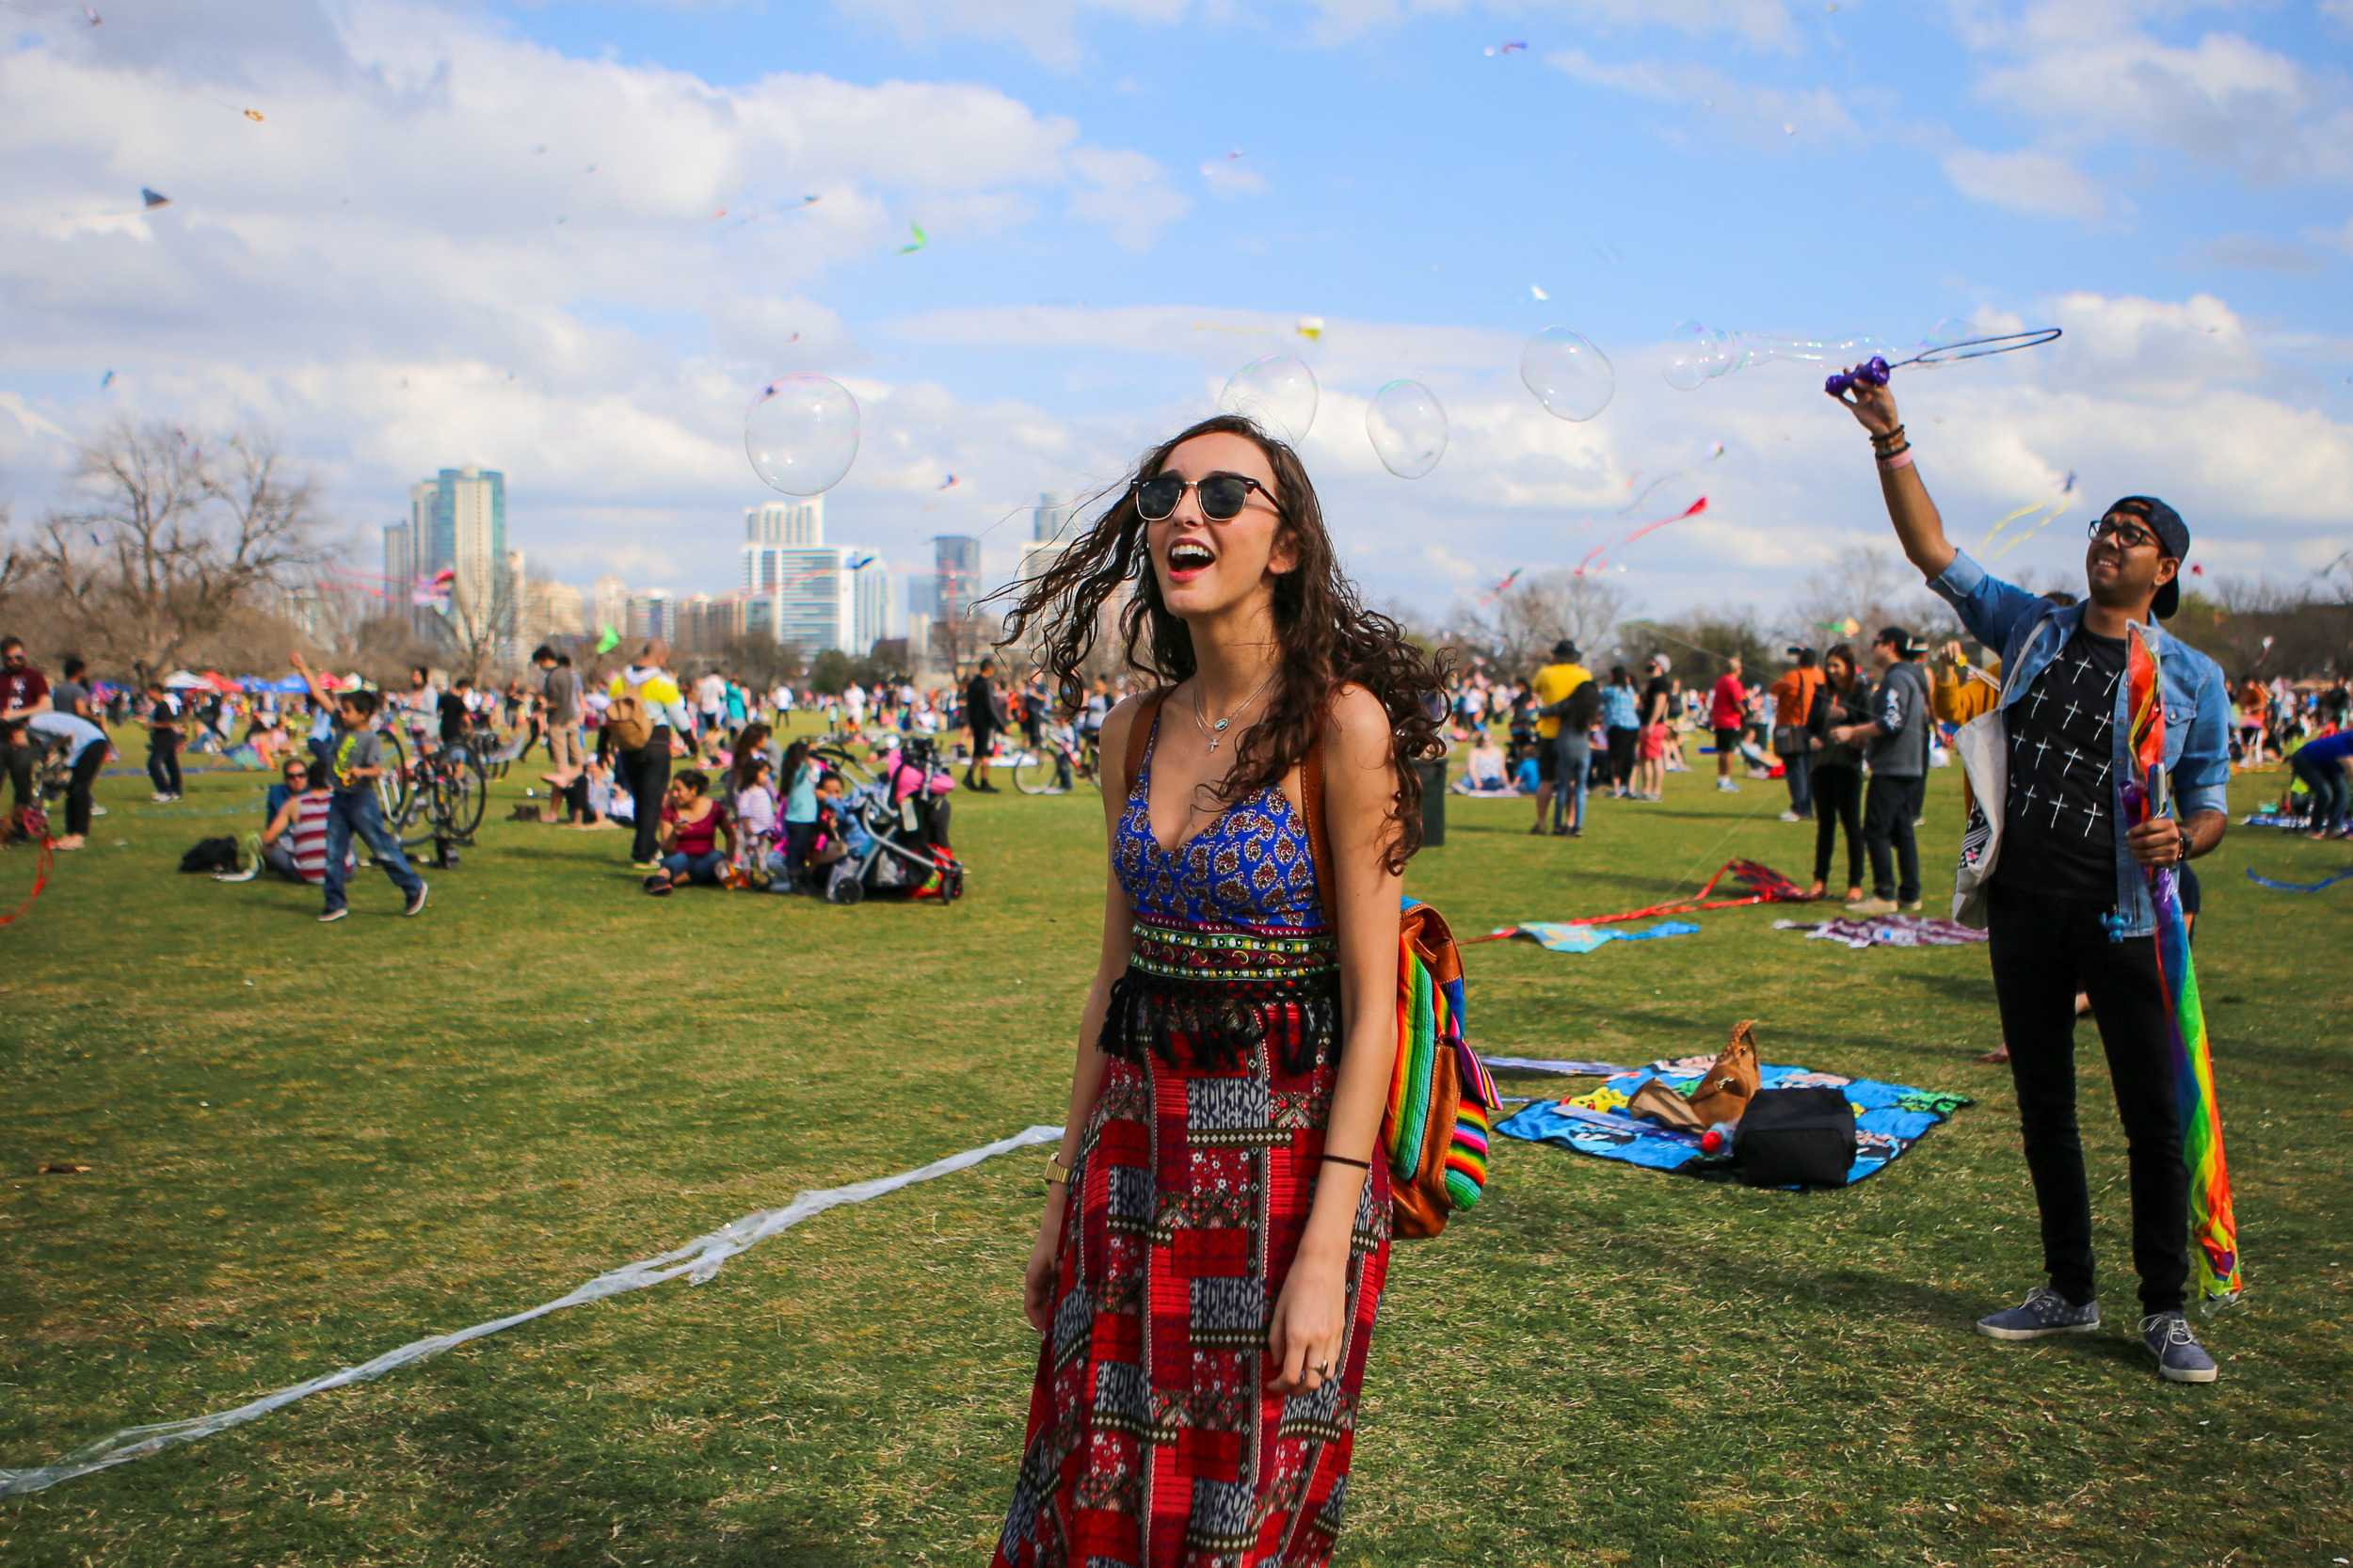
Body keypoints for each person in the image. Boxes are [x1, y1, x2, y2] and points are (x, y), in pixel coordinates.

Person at [988, 412, 1445, 1564]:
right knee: (1095, 1482)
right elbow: (1113, 977)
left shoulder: (1344, 726)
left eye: (1225, 494)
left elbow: (1376, 1004)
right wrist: (1059, 1190)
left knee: (1236, 1507)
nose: (1185, 512)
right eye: (1164, 494)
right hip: (1132, 1160)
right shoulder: (1130, 730)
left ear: (1285, 545)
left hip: (1286, 1176)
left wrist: (1324, 1253)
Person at [1832, 369, 2232, 1384]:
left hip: (2131, 918)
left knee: (2150, 1114)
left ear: (2165, 566)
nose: (2108, 538)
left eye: (2131, 532)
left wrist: (2184, 839)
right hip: (2023, 905)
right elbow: (1935, 555)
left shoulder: (2191, 679)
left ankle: (2163, 1308)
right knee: (2045, 1105)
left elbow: (2212, 799)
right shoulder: (2035, 627)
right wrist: (1890, 436)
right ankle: (2067, 1286)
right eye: (2103, 524)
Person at [1830, 629, 1931, 915]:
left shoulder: (1896, 678)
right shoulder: (1912, 676)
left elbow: (1891, 721)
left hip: (1892, 767)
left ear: (1889, 646)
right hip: (1909, 766)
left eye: (1875, 643)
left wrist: (1852, 731)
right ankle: (1911, 894)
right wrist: (1866, 735)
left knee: (1876, 830)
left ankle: (1884, 894)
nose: (1872, 648)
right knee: (1903, 829)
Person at [317, 689, 428, 923]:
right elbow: (321, 698)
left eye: (348, 711)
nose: (343, 715)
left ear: (364, 714)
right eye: (343, 710)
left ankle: (413, 886)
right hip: (339, 798)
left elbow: (378, 770)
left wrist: (361, 771)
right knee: (332, 852)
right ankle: (335, 903)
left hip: (360, 800)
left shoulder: (370, 739)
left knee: (381, 849)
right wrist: (303, 669)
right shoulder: (343, 727)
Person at [608, 643, 693, 872]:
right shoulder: (662, 682)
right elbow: (679, 716)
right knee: (653, 799)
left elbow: (611, 711)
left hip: (627, 745)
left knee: (640, 798)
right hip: (655, 742)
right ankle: (644, 852)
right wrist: (692, 744)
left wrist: (604, 745)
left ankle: (646, 845)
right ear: (662, 657)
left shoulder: (620, 680)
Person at [1804, 644, 1869, 903]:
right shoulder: (1821, 693)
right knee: (1825, 826)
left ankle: (1855, 883)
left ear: (1849, 667)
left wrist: (1848, 715)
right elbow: (1809, 726)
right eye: (1828, 665)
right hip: (1822, 766)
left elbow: (1868, 721)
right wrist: (1810, 739)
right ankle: (1819, 880)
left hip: (1849, 767)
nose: (1831, 671)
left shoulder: (1860, 692)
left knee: (1852, 826)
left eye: (1836, 666)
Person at [220, 758, 336, 885]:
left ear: (309, 778)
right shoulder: (337, 801)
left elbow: (268, 837)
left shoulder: (293, 804)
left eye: (301, 775)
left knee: (271, 850)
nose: (297, 780)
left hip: (307, 870)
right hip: (341, 872)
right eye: (292, 776)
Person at [1527, 638, 1590, 835]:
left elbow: (1535, 692)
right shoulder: (1584, 674)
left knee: (1546, 781)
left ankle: (1542, 822)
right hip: (1575, 733)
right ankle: (1570, 821)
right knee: (1571, 782)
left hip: (1549, 733)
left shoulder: (1546, 673)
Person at [24, 709, 106, 850]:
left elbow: (69, 734)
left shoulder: (35, 722)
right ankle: (70, 834)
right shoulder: (32, 728)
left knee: (80, 788)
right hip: (80, 748)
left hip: (92, 743)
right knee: (71, 788)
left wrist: (54, 749)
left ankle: (79, 836)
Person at [645, 769, 733, 894]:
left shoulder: (714, 808)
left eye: (678, 790)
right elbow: (666, 849)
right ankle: (660, 881)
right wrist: (675, 833)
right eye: (673, 790)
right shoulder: (670, 812)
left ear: (693, 790)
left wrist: (730, 859)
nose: (674, 794)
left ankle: (684, 879)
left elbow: (730, 835)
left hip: (706, 859)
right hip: (680, 860)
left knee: (716, 857)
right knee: (678, 859)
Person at [0, 636, 52, 826]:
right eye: (9, 658)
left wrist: (16, 715)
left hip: (24, 739)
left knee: (23, 787)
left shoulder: (34, 677)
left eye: (18, 657)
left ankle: (19, 829)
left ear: (24, 655)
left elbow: (46, 705)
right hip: (1, 738)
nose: (14, 662)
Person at [1769, 647, 1824, 822]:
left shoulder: (1793, 676)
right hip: (1815, 729)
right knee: (1810, 770)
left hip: (1794, 728)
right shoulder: (1820, 676)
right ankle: (1809, 806)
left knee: (1795, 770)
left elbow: (1774, 688)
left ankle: (1800, 808)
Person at [2289, 727, 2353, 839]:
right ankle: (2314, 829)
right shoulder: (2346, 743)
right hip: (2305, 760)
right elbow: (2350, 769)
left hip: (2329, 764)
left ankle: (2334, 829)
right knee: (2325, 793)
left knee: (2343, 793)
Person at [1635, 654, 1673, 802]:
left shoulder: (1660, 682)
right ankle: (1646, 790)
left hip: (1653, 725)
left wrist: (1652, 722)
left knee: (1654, 757)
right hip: (1649, 723)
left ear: (1660, 666)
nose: (1649, 663)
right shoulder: (1653, 682)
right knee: (1645, 758)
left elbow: (1661, 703)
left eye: (1653, 661)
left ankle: (1655, 791)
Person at [1707, 656, 1747, 792]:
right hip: (1730, 721)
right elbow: (1737, 702)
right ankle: (1726, 780)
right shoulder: (1733, 682)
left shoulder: (1720, 681)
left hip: (1719, 720)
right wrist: (1744, 713)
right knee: (1729, 752)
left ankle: (1721, 779)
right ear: (1736, 669)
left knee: (1722, 751)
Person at [142, 680, 185, 803]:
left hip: (164, 740)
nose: (148, 696)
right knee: (172, 766)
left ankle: (165, 791)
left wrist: (151, 725)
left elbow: (168, 723)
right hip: (166, 739)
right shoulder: (160, 706)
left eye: (149, 693)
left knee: (153, 764)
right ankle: (175, 791)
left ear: (156, 692)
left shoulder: (163, 705)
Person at [1601, 664, 1641, 799]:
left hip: (1617, 726)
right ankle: (1630, 787)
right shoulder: (1629, 690)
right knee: (1630, 757)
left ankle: (1617, 788)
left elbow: (1600, 702)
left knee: (1616, 757)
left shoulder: (1610, 691)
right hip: (1633, 725)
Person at [964, 656, 1003, 792]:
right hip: (985, 723)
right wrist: (1002, 724)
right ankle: (984, 782)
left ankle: (970, 777)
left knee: (978, 752)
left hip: (976, 722)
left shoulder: (972, 683)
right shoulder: (986, 684)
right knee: (985, 752)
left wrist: (971, 722)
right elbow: (990, 706)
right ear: (989, 669)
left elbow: (970, 705)